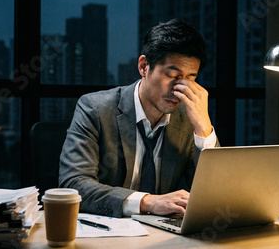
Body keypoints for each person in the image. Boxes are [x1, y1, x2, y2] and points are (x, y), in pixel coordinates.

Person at [59, 19, 219, 218]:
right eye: (171, 75)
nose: (180, 89)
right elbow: (74, 184)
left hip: (163, 236)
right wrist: (148, 202)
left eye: (190, 78)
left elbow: (216, 194)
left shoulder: (189, 117)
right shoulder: (96, 109)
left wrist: (204, 129)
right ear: (144, 67)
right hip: (108, 231)